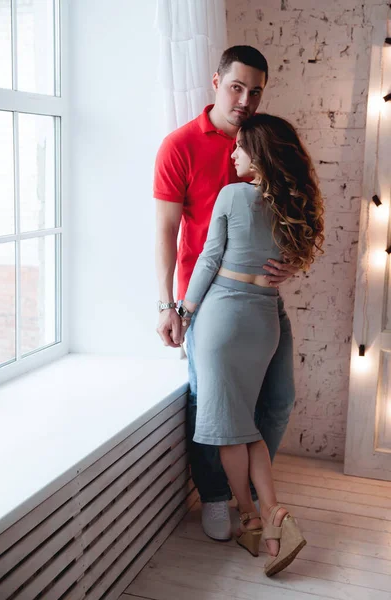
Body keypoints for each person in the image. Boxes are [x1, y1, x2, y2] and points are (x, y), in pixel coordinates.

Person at [154, 46, 298, 541]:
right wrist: (170, 307)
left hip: (261, 300)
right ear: (216, 81)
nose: (245, 99)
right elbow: (166, 230)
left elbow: (294, 225)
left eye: (255, 91)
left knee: (278, 400)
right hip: (207, 299)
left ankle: (253, 497)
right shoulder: (180, 145)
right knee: (206, 403)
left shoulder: (264, 142)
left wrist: (292, 264)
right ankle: (220, 497)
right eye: (237, 87)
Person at [179, 113, 324, 575]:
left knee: (228, 427)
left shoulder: (232, 195)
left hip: (224, 317)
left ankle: (249, 516)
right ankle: (274, 510)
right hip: (264, 321)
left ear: (258, 155)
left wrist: (182, 312)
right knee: (249, 427)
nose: (233, 153)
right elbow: (290, 261)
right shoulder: (289, 206)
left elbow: (207, 260)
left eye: (240, 147)